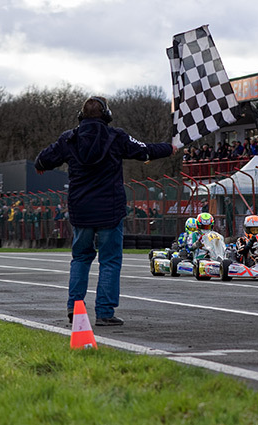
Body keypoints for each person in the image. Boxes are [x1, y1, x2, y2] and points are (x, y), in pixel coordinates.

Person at [35, 96, 173, 326]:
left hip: (81, 209)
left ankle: (75, 307)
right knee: (110, 260)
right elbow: (144, 150)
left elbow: (43, 159)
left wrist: (41, 166)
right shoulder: (116, 136)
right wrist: (170, 148)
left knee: (80, 257)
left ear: (81, 116)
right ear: (106, 115)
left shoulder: (68, 139)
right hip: (109, 209)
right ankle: (105, 312)